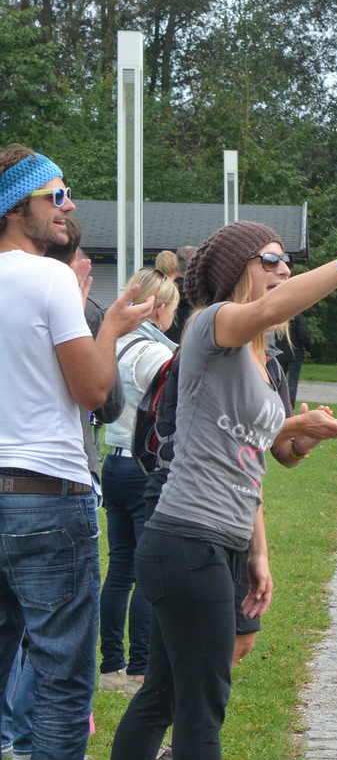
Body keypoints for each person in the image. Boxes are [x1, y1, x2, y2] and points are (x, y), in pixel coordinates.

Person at [102, 221, 337, 760]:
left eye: (290, 262)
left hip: (220, 538)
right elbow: (265, 308)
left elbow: (265, 451)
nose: (285, 270)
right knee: (202, 697)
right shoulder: (212, 324)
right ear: (242, 266)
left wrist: (306, 430)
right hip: (187, 535)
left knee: (162, 694)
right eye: (273, 260)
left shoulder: (263, 356)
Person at [0, 145, 154, 760]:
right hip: (46, 492)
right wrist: (113, 328)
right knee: (64, 668)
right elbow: (96, 392)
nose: (67, 207)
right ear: (17, 206)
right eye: (54, 196)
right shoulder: (50, 280)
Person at [100, 267, 182, 697]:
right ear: (161, 307)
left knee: (119, 571)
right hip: (141, 467)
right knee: (148, 573)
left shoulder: (111, 343)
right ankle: (139, 668)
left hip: (112, 463)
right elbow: (175, 397)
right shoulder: (150, 351)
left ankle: (111, 664)